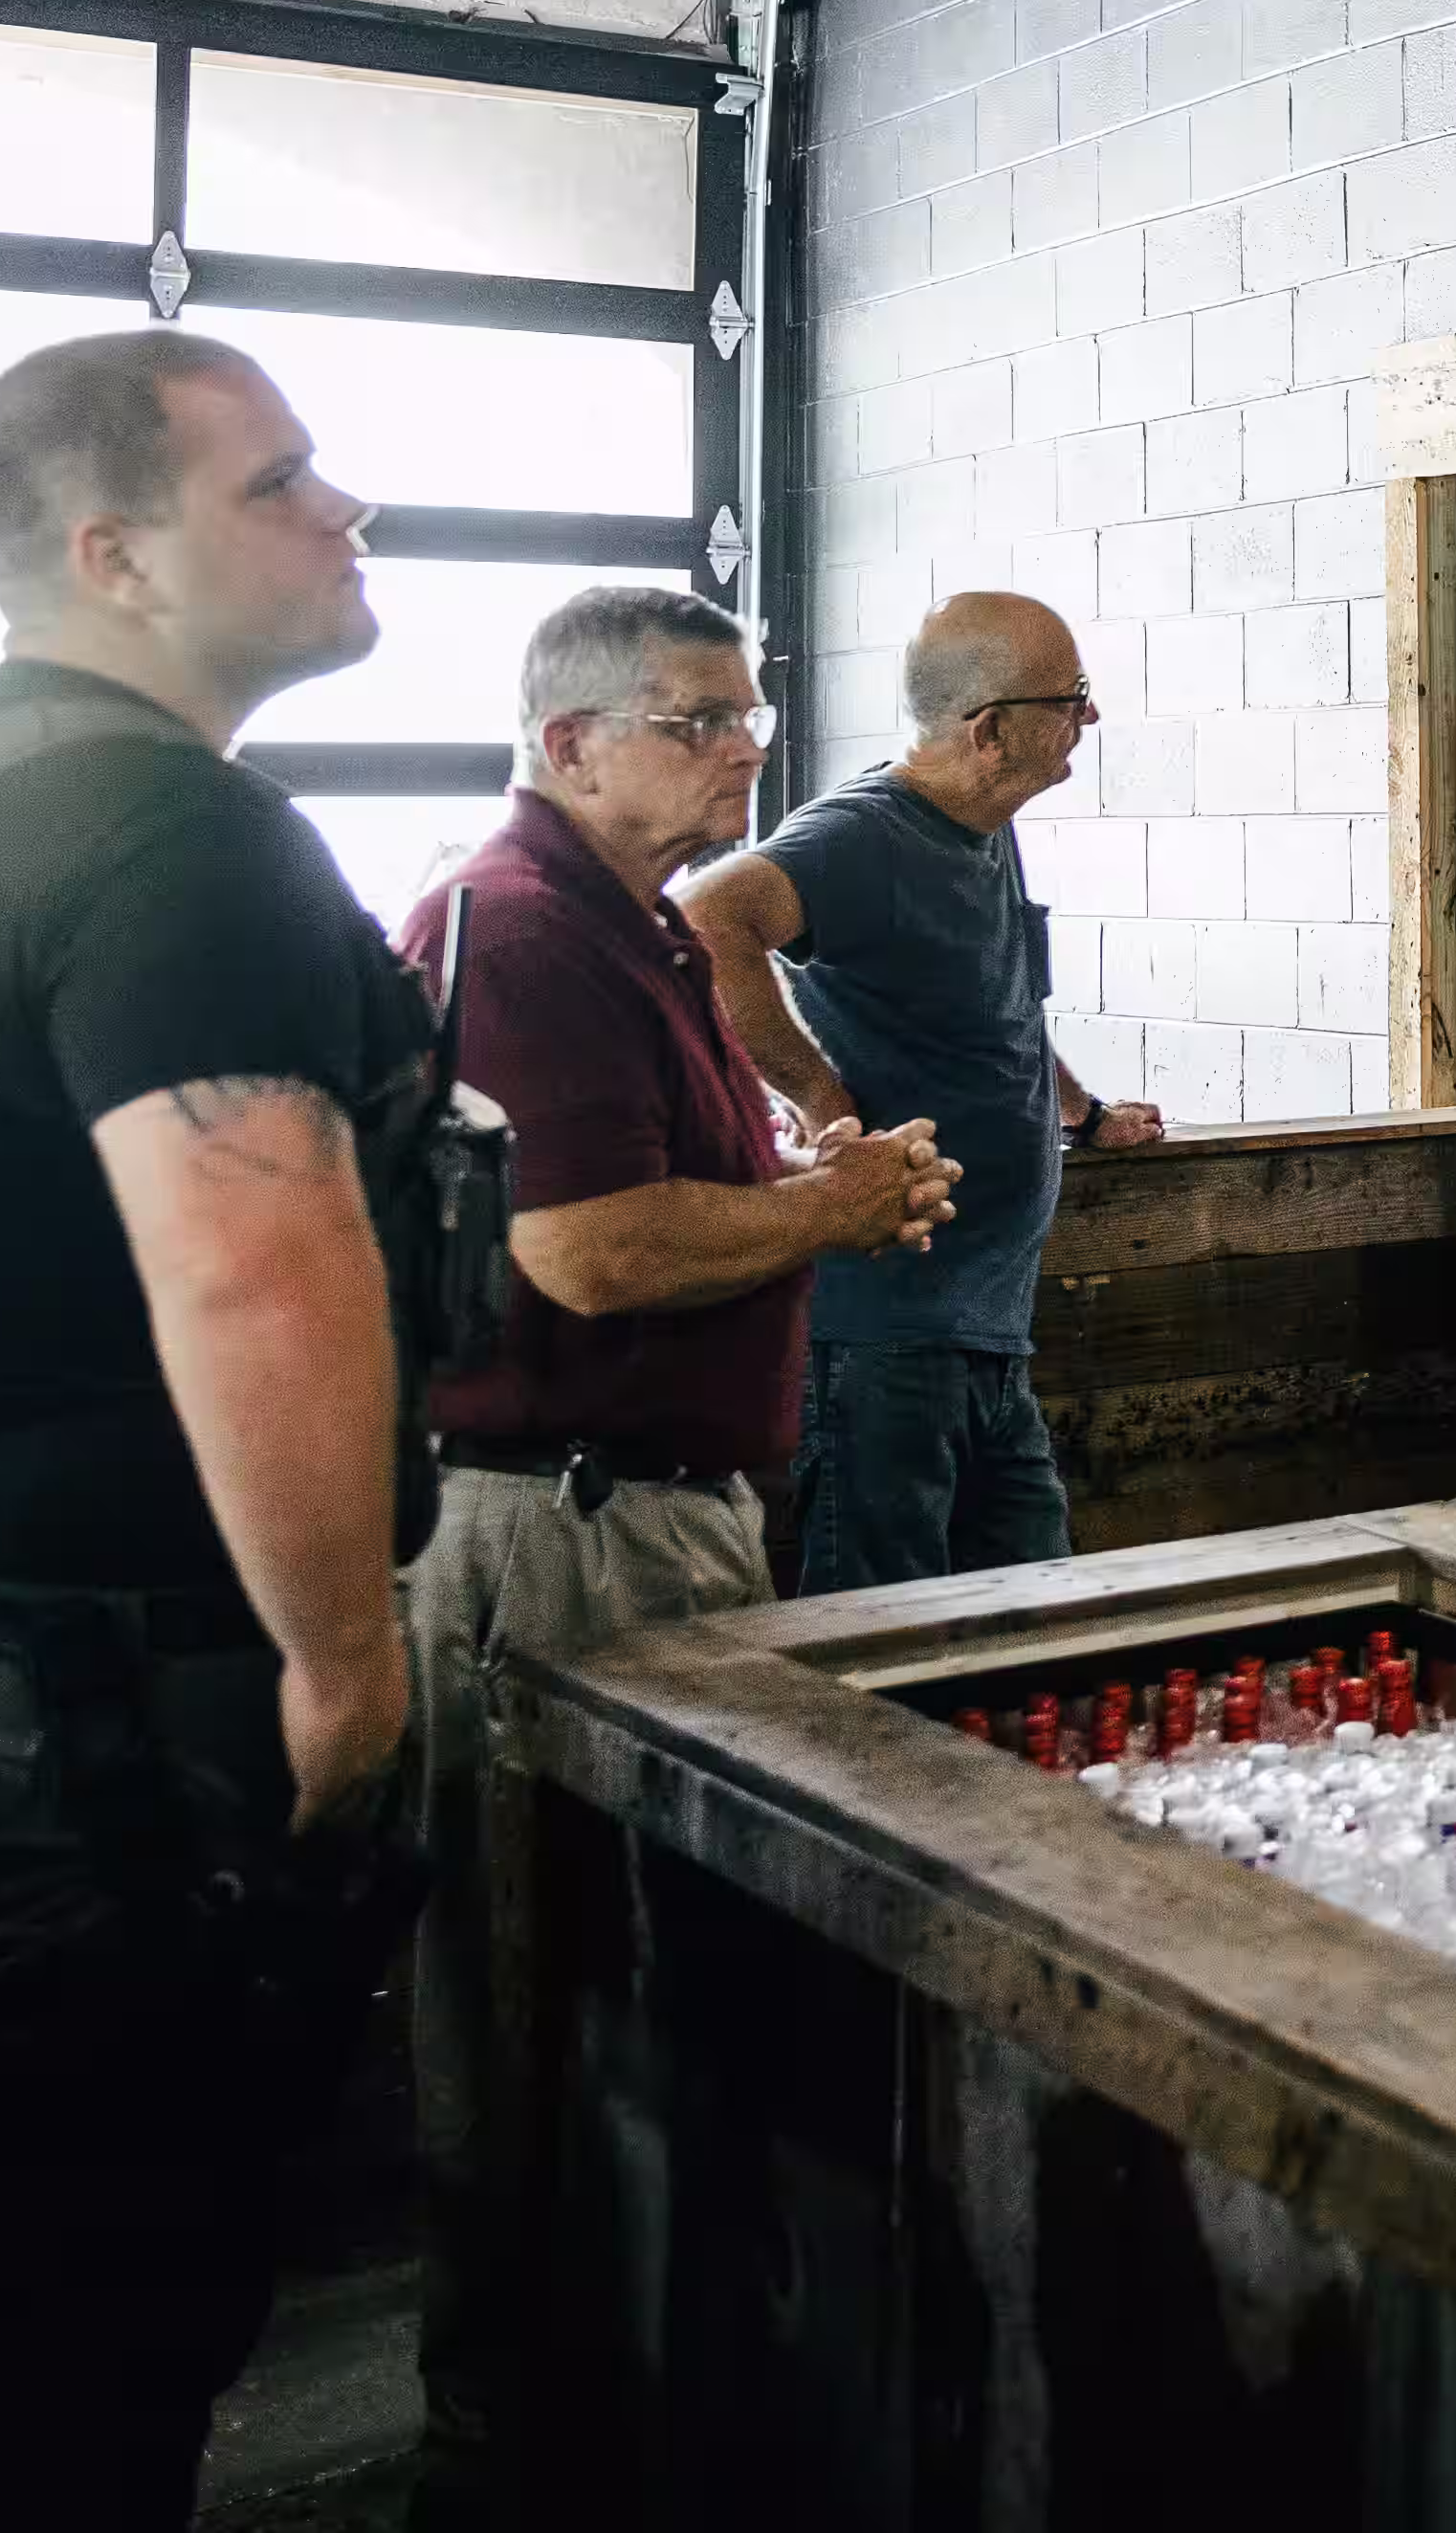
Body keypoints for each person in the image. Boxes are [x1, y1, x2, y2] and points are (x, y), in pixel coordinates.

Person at [0, 329, 451, 2533]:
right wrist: (343, 1652)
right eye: (283, 482)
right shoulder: (160, 822)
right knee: (119, 2297)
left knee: (60, 2266)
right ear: (114, 552)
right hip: (71, 1697)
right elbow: (256, 1259)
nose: (347, 512)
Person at [393, 584, 952, 2522]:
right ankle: (515, 2434)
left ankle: (638, 2387)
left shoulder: (628, 930)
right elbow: (584, 1251)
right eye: (703, 720)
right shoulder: (525, 934)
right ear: (567, 742)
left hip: (651, 1516)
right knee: (531, 1983)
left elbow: (660, 1200)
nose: (749, 749)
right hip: (563, 1533)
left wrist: (813, 1194)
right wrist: (837, 1210)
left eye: (752, 712)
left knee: (645, 1975)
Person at [685, 589, 1158, 1592]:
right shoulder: (861, 835)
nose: (1091, 717)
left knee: (1036, 1619)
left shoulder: (986, 827)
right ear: (991, 730)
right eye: (1072, 698)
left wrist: (1084, 1113)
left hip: (985, 1330)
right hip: (886, 1337)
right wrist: (820, 1101)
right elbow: (704, 920)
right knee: (881, 1639)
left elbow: (1001, 1005)